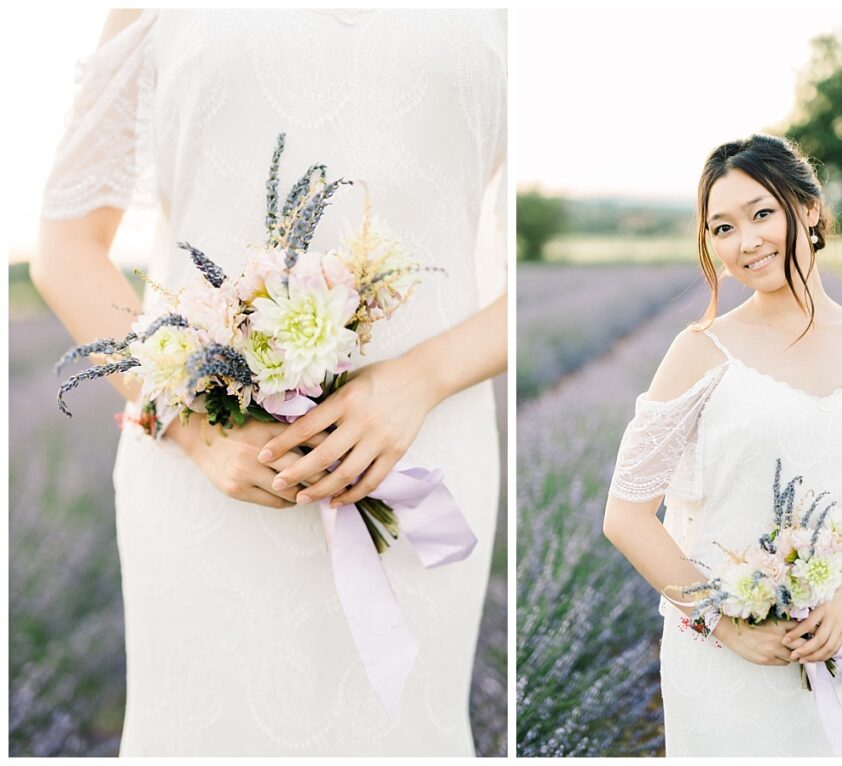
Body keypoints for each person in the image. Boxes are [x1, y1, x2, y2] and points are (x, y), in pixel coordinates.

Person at [33, 9, 506, 756]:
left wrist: (420, 378)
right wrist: (190, 427)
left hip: (422, 456)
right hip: (206, 471)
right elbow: (64, 249)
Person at [602, 134, 842, 757]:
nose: (746, 241)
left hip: (835, 640)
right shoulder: (700, 352)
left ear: (809, 209)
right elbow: (626, 515)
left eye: (762, 213)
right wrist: (726, 623)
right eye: (723, 227)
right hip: (722, 652)